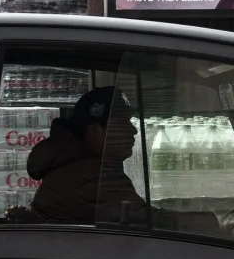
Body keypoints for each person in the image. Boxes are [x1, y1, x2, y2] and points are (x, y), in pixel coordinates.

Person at [17, 87, 148, 226]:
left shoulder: (81, 164)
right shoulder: (87, 177)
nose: (133, 130)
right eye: (123, 123)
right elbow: (140, 219)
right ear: (94, 131)